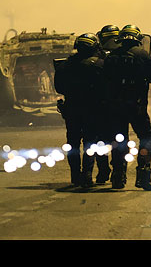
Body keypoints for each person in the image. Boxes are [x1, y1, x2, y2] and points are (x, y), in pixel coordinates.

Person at [104, 24, 151, 190]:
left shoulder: (112, 56)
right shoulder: (142, 55)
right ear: (138, 38)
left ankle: (118, 176)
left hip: (116, 107)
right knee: (145, 138)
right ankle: (143, 175)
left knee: (119, 140)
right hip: (137, 107)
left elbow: (104, 80)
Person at [54, 33, 108, 188]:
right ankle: (87, 175)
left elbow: (59, 88)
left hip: (72, 110)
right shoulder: (100, 65)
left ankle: (75, 176)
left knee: (73, 143)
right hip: (93, 110)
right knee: (90, 142)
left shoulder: (65, 65)